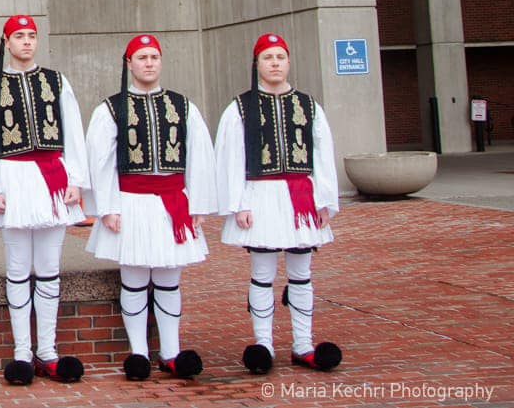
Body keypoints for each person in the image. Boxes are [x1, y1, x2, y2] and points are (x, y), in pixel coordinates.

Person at [84, 34, 216, 382]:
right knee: (135, 279)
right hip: (131, 202)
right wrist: (107, 207)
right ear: (129, 63)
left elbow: (200, 156)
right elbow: (101, 161)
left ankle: (171, 352)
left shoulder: (182, 106)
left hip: (172, 201)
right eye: (141, 57)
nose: (149, 63)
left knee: (170, 278)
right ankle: (138, 352)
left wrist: (199, 202)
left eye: (154, 57)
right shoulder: (111, 109)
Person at [0, 15, 89, 385]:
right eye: (19, 36)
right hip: (13, 180)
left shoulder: (57, 81)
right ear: (6, 42)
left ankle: (47, 351)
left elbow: (74, 133)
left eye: (31, 36)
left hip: (52, 178)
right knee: (18, 269)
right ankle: (22, 351)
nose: (26, 42)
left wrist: (77, 180)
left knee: (49, 268)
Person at [214, 33, 341, 375]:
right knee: (262, 273)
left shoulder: (308, 105)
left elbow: (322, 154)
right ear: (256, 64)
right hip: (261, 197)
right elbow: (230, 157)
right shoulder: (240, 107)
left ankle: (303, 344)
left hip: (301, 197)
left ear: (288, 62)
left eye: (280, 57)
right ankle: (264, 343)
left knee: (301, 273)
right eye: (267, 57)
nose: (274, 63)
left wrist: (325, 199)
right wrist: (237, 203)